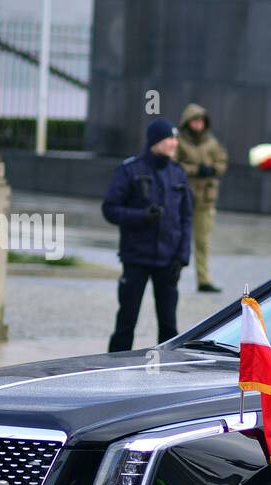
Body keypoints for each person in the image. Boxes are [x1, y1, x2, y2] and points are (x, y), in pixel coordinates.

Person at [103, 118, 192, 353]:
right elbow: (110, 209)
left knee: (169, 326)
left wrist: (182, 257)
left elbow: (186, 218)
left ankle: (168, 371)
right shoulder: (129, 170)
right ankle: (113, 368)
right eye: (169, 138)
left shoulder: (178, 173)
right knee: (126, 322)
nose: (174, 143)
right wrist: (142, 215)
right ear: (155, 142)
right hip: (136, 259)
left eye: (175, 138)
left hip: (168, 261)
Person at [174, 103, 228, 294]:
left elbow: (222, 162)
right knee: (178, 239)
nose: (198, 124)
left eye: (201, 121)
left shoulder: (212, 142)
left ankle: (203, 279)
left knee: (203, 241)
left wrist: (212, 169)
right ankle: (173, 277)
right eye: (195, 121)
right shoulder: (178, 141)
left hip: (206, 199)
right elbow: (174, 164)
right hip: (183, 198)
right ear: (188, 122)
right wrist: (196, 170)